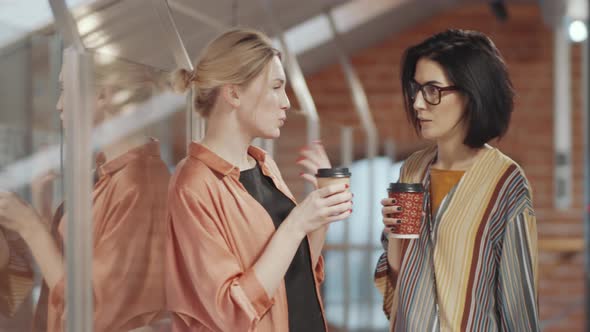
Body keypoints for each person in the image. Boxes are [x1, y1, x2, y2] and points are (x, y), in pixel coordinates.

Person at [166, 28, 353, 332]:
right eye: (276, 87)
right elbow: (229, 311)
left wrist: (322, 214)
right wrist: (296, 223)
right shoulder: (193, 185)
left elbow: (297, 273)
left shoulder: (264, 165)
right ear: (234, 92)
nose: (286, 102)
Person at [374, 29, 539, 331]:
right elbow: (399, 281)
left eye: (432, 90)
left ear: (471, 92)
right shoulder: (412, 169)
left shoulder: (506, 182)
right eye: (416, 89)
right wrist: (396, 231)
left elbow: (518, 302)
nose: (418, 104)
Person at [0, 54, 171, 332]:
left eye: (65, 89)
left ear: (103, 95)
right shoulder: (108, 177)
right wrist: (42, 220)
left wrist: (30, 226)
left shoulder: (137, 185)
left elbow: (93, 314)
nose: (58, 105)